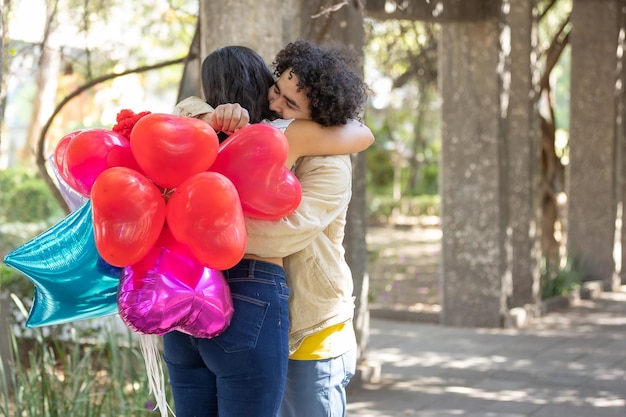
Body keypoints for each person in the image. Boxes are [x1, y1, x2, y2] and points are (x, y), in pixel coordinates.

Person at [164, 43, 371, 417]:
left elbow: (285, 232)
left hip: (310, 329)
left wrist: (197, 230)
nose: (275, 104)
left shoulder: (329, 163)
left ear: (319, 117)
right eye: (276, 89)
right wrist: (210, 116)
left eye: (291, 105)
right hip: (262, 313)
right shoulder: (260, 133)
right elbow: (184, 109)